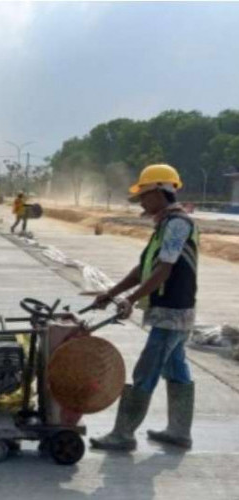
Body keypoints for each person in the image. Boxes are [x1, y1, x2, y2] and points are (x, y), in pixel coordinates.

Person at [90, 164, 198, 451]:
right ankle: (179, 432)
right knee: (176, 369)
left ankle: (123, 434)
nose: (141, 203)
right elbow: (144, 268)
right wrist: (111, 293)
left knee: (145, 372)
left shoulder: (177, 224)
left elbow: (163, 270)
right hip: (173, 311)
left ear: (162, 191)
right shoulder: (165, 224)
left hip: (171, 312)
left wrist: (131, 300)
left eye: (144, 196)